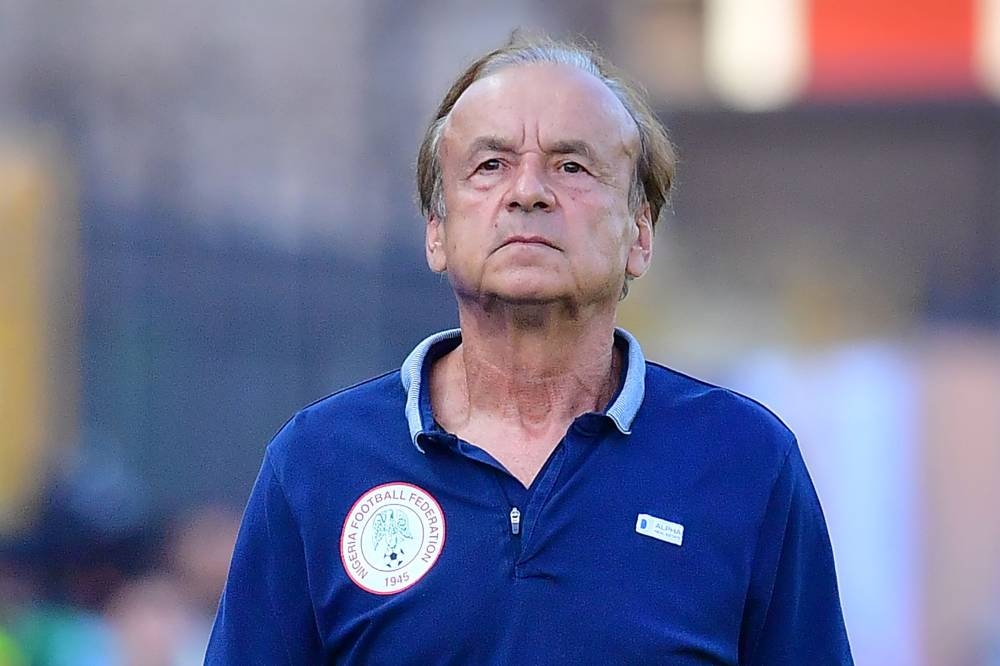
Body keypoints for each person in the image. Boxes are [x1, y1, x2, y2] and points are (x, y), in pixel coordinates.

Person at [206, 34, 853, 665]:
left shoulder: (746, 462)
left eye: (572, 166)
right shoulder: (318, 465)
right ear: (437, 230)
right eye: (490, 166)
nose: (528, 192)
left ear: (640, 233)